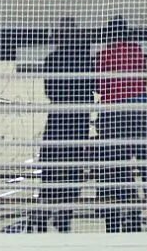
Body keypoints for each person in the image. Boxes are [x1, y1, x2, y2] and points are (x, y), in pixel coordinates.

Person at [26, 16, 95, 232]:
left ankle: (44, 211)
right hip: (78, 120)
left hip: (57, 117)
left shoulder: (52, 59)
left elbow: (50, 91)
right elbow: (92, 86)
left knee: (51, 166)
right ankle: (64, 215)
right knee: (73, 167)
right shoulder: (85, 61)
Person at [93, 18, 147, 233]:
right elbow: (144, 79)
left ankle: (119, 208)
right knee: (144, 160)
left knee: (117, 163)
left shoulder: (103, 55)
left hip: (114, 112)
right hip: (139, 109)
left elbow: (100, 86)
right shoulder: (137, 51)